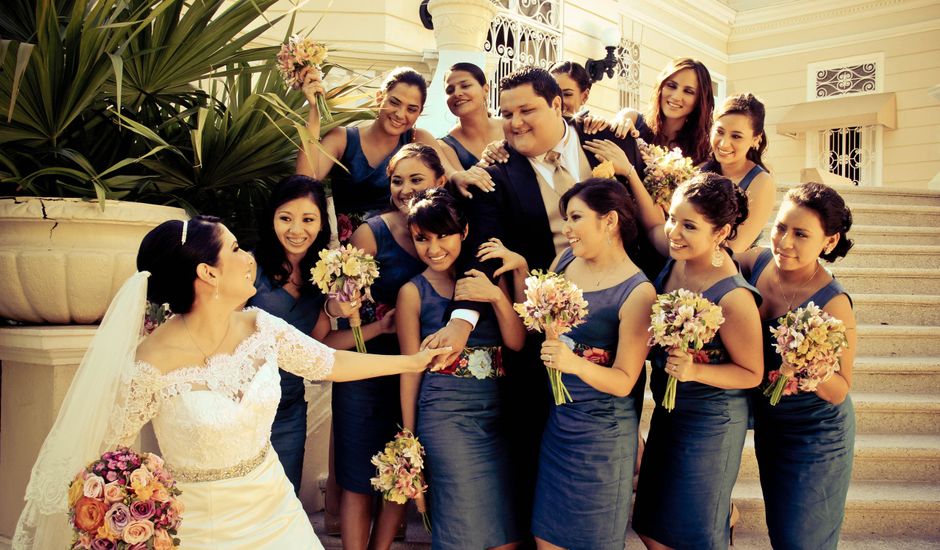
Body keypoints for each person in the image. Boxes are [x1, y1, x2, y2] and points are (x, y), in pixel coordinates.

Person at [12, 216, 451, 550]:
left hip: (276, 511)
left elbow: (330, 362)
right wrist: (129, 518)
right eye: (237, 249)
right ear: (208, 274)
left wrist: (412, 361)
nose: (250, 258)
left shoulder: (262, 326)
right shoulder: (150, 362)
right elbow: (114, 455)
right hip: (197, 527)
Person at [419, 65, 646, 543]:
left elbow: (647, 227)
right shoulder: (494, 174)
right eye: (507, 113)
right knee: (536, 448)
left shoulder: (612, 146)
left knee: (611, 441)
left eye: (526, 110)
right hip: (541, 335)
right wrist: (462, 318)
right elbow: (481, 248)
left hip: (617, 320)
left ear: (559, 105)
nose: (515, 122)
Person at [630, 172, 764, 550]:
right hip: (670, 413)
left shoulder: (733, 296)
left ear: (721, 232)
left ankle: (720, 523)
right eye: (673, 218)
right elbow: (652, 225)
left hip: (712, 422)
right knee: (651, 526)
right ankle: (725, 518)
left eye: (689, 225)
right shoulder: (675, 261)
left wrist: (695, 370)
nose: (674, 231)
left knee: (692, 534)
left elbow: (752, 373)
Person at [325, 144, 446, 550]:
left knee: (402, 467)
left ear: (439, 182)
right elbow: (340, 301)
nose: (405, 189)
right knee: (359, 475)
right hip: (366, 368)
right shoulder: (370, 231)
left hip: (419, 373)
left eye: (417, 179)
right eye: (398, 180)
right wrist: (370, 320)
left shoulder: (447, 232)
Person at [397, 188, 525, 550]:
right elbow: (410, 370)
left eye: (443, 236)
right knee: (463, 532)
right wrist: (409, 441)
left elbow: (516, 343)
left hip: (495, 414)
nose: (433, 248)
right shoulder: (413, 292)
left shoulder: (486, 278)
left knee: (507, 537)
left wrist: (497, 295)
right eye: (422, 239)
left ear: (465, 232)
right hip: (445, 416)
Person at [530, 179, 654, 550]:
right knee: (545, 538)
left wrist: (574, 363)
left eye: (576, 217)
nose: (566, 228)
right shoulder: (566, 260)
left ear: (609, 220)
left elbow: (624, 381)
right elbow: (542, 315)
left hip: (603, 437)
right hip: (559, 425)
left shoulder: (638, 291)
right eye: (565, 218)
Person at [738, 182, 857, 549]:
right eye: (780, 227)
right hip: (772, 425)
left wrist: (808, 365)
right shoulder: (753, 262)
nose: (784, 242)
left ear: (829, 241)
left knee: (802, 540)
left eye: (801, 234)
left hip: (816, 432)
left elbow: (840, 389)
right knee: (782, 532)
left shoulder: (833, 304)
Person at [298, 66, 490, 225]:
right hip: (351, 257)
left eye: (411, 109)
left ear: (419, 113)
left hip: (406, 244)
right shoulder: (342, 138)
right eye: (394, 102)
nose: (400, 114)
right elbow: (304, 181)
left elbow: (448, 174)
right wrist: (314, 109)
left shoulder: (417, 137)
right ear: (380, 97)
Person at [248, 175, 332, 495]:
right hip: (244, 404)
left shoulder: (323, 273)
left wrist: (338, 312)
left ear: (322, 224)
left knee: (283, 500)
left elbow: (315, 343)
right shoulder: (248, 266)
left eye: (308, 219)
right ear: (272, 219)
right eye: (286, 218)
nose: (297, 230)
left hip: (290, 408)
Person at [701, 93, 776, 253]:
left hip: (729, 268)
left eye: (736, 136)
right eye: (720, 132)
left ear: (755, 139)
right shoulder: (700, 170)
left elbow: (735, 248)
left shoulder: (761, 182)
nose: (724, 143)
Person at [608, 58, 715, 165]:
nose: (676, 97)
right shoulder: (632, 120)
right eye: (671, 86)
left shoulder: (701, 154)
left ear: (699, 100)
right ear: (661, 86)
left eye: (688, 91)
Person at [438, 62, 506, 170]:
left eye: (465, 86)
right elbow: (462, 184)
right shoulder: (445, 146)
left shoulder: (510, 126)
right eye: (450, 90)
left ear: (485, 90)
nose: (457, 93)